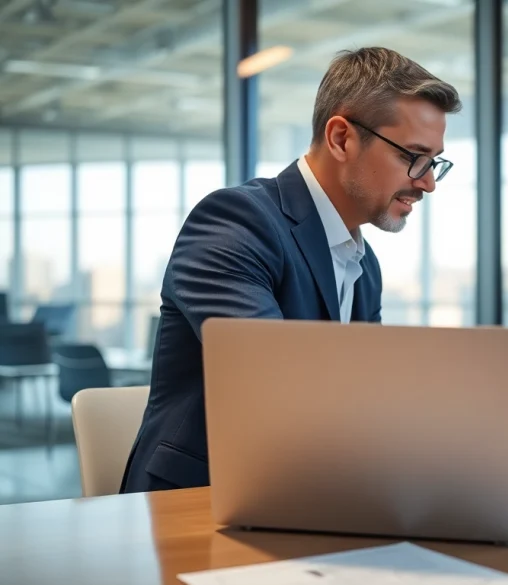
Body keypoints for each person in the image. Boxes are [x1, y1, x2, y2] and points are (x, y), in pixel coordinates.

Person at [120, 47, 462, 493]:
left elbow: (366, 394)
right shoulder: (236, 221)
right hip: (200, 503)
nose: (427, 182)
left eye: (434, 162)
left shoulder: (363, 264)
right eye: (413, 157)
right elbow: (279, 382)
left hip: (307, 494)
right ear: (341, 138)